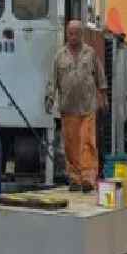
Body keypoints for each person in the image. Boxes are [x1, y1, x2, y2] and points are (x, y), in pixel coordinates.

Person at [46, 20, 107, 192]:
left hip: (87, 106)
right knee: (71, 146)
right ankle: (75, 178)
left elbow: (100, 77)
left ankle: (88, 178)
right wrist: (50, 98)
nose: (73, 36)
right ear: (67, 34)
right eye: (70, 33)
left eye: (76, 33)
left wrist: (103, 96)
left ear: (82, 34)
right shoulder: (59, 56)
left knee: (88, 143)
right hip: (68, 108)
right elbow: (53, 80)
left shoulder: (91, 53)